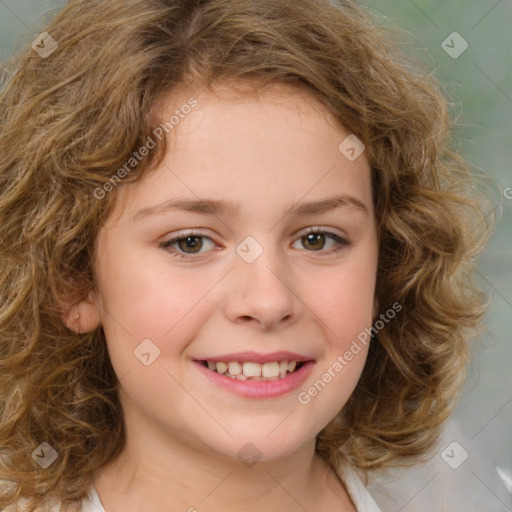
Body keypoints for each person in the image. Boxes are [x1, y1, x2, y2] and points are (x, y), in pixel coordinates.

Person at [0, 0, 496, 510]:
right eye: (190, 242)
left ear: (386, 269)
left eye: (317, 239)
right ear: (73, 279)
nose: (267, 300)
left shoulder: (464, 489)